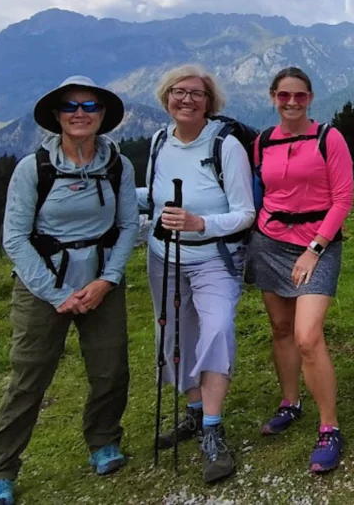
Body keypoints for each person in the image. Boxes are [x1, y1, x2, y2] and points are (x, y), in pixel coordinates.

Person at [0, 76, 139, 505]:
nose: (80, 113)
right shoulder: (34, 169)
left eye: (90, 106)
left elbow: (127, 226)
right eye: (71, 106)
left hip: (102, 281)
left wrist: (108, 280)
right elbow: (14, 238)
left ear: (103, 115)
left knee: (110, 370)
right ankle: (0, 470)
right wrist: (56, 294)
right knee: (29, 377)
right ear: (57, 116)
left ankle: (104, 441)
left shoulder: (118, 165)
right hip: (42, 286)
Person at [139, 65, 255, 484]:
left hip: (214, 258)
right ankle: (192, 412)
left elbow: (246, 214)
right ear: (165, 97)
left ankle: (211, 428)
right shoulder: (157, 142)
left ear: (210, 101)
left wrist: (199, 223)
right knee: (173, 335)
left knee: (217, 330)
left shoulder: (225, 146)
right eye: (178, 92)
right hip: (163, 256)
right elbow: (153, 199)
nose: (186, 100)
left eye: (197, 94)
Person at [246, 67, 354, 474]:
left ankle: (329, 427)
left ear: (310, 98)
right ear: (273, 96)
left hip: (318, 244)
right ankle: (290, 402)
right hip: (270, 241)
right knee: (280, 327)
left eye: (300, 96)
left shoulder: (330, 137)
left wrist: (314, 249)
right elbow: (262, 193)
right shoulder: (262, 143)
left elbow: (344, 198)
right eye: (284, 96)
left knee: (308, 336)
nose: (292, 103)